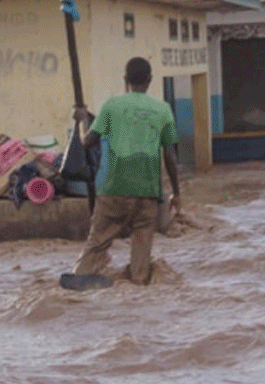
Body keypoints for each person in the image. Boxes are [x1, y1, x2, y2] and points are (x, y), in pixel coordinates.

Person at [66, 56, 180, 286]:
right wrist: (177, 193)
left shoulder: (112, 106)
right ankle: (138, 284)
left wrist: (81, 120)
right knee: (142, 252)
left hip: (114, 190)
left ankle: (79, 280)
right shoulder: (163, 110)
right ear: (150, 80)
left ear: (125, 79)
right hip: (148, 192)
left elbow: (87, 141)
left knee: (97, 243)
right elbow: (169, 155)